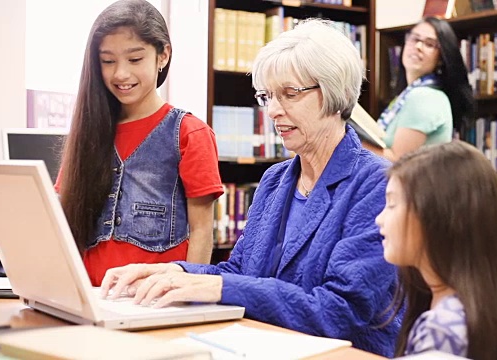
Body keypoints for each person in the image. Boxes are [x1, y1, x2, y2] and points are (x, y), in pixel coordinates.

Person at [99, 19, 400, 357]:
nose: (272, 110)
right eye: (267, 96)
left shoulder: (378, 183)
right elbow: (239, 273)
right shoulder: (275, 181)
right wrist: (174, 272)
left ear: (333, 92)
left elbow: (339, 311)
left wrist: (218, 285)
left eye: (289, 94)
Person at [57, 0, 223, 286]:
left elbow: (201, 232)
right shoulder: (88, 131)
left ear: (163, 56)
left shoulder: (189, 133)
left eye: (135, 59)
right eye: (108, 61)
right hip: (90, 296)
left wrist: (188, 295)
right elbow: (62, 214)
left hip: (155, 302)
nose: (120, 73)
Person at [376, 141, 497, 359]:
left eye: (392, 204)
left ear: (436, 218)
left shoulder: (441, 331)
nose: (379, 219)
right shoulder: (494, 307)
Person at [365, 17, 475, 162]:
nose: (418, 46)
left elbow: (397, 162)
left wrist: (352, 143)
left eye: (429, 44)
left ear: (441, 58)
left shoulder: (424, 97)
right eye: (414, 38)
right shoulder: (407, 95)